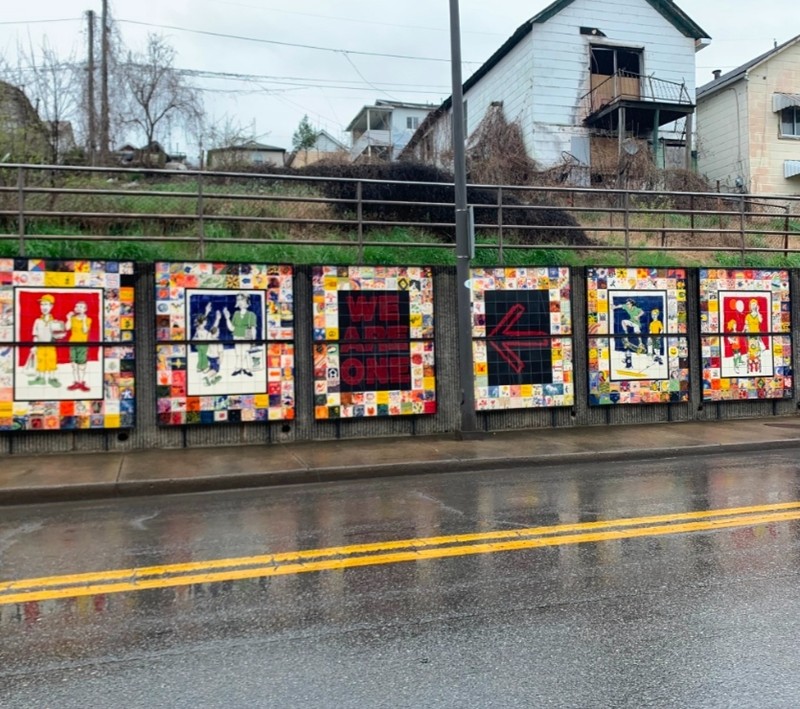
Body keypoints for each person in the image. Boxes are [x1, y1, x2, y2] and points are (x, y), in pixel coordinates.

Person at [29, 294, 61, 387]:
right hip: (40, 346)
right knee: (40, 361)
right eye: (42, 304)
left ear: (51, 306)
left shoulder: (55, 321)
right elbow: (35, 335)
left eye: (46, 304)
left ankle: (52, 379)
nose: (43, 307)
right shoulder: (37, 321)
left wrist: (58, 335)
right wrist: (34, 346)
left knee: (51, 361)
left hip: (51, 346)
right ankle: (41, 378)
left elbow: (58, 335)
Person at [223, 293, 257, 377]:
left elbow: (253, 329)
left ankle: (246, 369)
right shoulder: (236, 314)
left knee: (245, 354)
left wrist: (254, 340)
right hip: (237, 336)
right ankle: (238, 369)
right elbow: (232, 328)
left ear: (247, 301)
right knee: (238, 354)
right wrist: (227, 318)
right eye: (238, 300)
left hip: (247, 336)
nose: (240, 302)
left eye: (242, 299)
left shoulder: (251, 315)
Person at [66, 301, 91, 392]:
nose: (78, 308)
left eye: (81, 307)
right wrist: (68, 318)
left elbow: (85, 331)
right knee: (74, 364)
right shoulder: (72, 318)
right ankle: (76, 382)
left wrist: (84, 320)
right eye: (77, 306)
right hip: (73, 343)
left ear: (85, 309)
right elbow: (67, 328)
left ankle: (81, 382)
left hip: (83, 344)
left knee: (82, 364)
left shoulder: (88, 319)